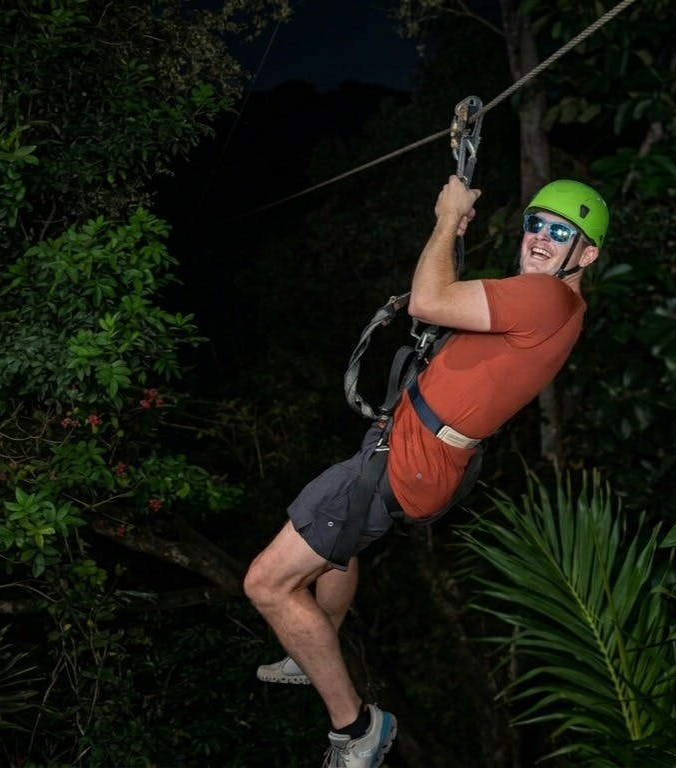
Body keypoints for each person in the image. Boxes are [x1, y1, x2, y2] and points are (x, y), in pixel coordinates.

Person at [243, 174, 608, 767]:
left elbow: (428, 302)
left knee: (267, 583)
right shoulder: (556, 304)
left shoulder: (546, 297)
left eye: (561, 232)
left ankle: (357, 729)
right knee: (345, 536)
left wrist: (445, 218)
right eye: (535, 224)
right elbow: (458, 307)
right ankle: (314, 647)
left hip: (410, 459)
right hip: (410, 448)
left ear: (586, 254)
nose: (540, 238)